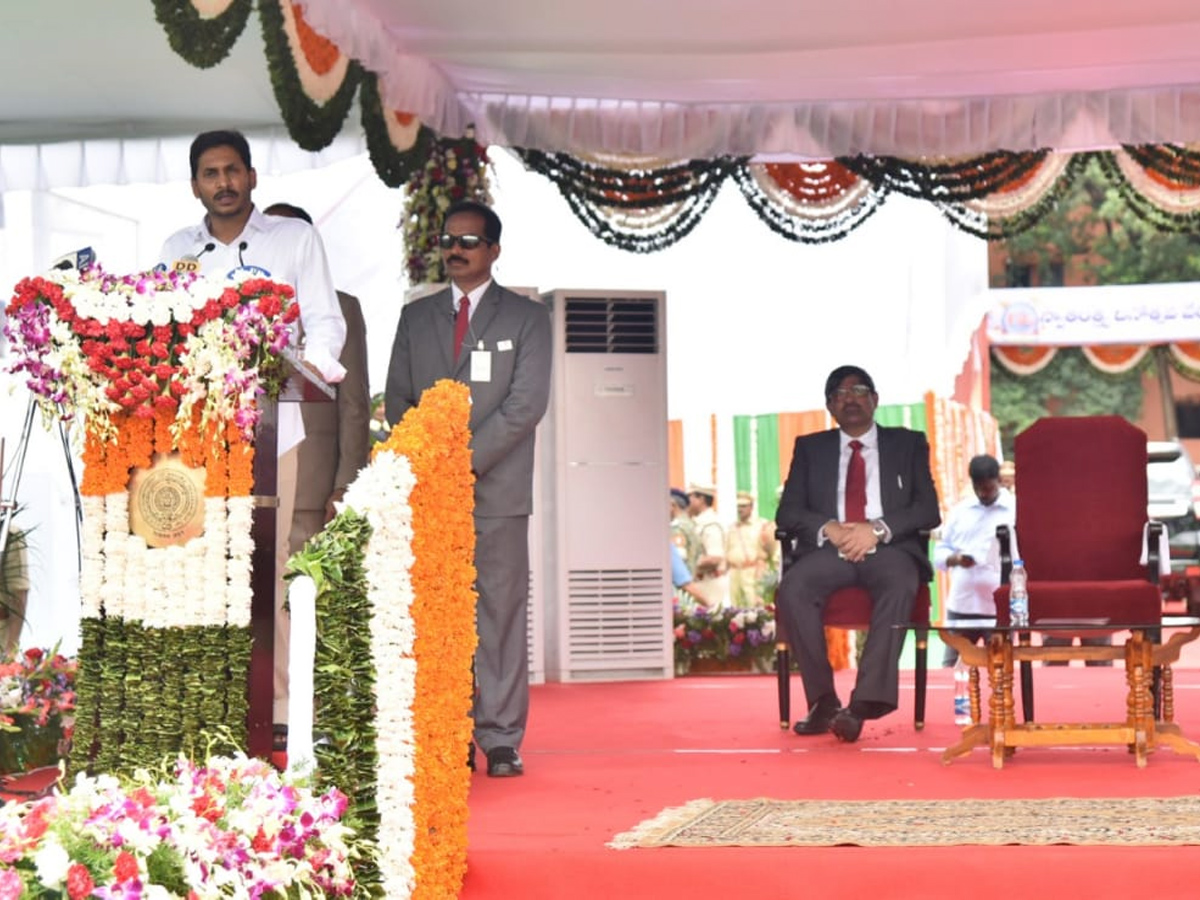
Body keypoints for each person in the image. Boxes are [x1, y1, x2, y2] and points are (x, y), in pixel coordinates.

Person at [159, 130, 347, 745]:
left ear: (252, 176)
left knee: (267, 570)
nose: (223, 183)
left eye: (232, 170)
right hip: (198, 438)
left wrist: (305, 365)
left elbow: (324, 321)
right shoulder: (176, 249)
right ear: (195, 185)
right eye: (210, 173)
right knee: (204, 569)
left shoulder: (294, 240)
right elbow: (163, 330)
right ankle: (211, 705)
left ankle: (283, 710)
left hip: (273, 429)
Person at [384, 199, 551, 778]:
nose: (456, 250)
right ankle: (448, 728)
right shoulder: (415, 317)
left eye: (469, 241)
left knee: (499, 614)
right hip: (429, 495)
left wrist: (464, 462)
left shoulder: (527, 319)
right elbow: (398, 399)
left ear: (494, 250)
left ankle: (501, 737)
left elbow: (526, 406)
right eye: (449, 239)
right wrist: (430, 462)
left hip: (498, 494)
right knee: (436, 615)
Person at [775, 365, 941, 743]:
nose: (849, 399)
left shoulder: (908, 443)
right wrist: (830, 527)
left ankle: (863, 704)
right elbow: (789, 513)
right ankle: (823, 702)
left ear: (875, 400)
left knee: (902, 583)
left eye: (859, 390)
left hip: (888, 548)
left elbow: (927, 510)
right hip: (831, 548)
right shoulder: (810, 448)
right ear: (829, 407)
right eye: (839, 394)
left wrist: (877, 530)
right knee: (793, 588)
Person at [263, 203, 371, 556]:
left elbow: (354, 404)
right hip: (243, 479)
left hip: (311, 488)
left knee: (303, 596)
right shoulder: (235, 305)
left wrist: (346, 484)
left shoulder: (342, 308)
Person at [934, 454, 1015, 666]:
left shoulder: (1015, 510)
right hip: (962, 603)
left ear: (999, 481)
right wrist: (956, 559)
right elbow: (940, 550)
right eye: (979, 488)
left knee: (1000, 668)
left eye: (988, 488)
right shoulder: (961, 511)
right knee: (951, 667)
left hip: (998, 605)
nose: (983, 493)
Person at [725, 490, 778, 607]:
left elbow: (772, 551)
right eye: (738, 506)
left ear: (751, 507)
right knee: (735, 608)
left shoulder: (762, 525)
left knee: (754, 608)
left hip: (753, 572)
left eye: (743, 506)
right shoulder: (732, 527)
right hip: (735, 572)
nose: (740, 509)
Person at [686, 483, 728, 609]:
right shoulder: (697, 522)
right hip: (701, 584)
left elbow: (714, 558)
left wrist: (687, 564)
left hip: (710, 585)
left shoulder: (710, 524)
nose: (688, 501)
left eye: (691, 497)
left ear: (701, 499)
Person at [669, 487, 701, 578]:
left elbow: (678, 558)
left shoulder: (677, 528)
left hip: (681, 585)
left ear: (673, 506)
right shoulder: (692, 525)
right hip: (691, 579)